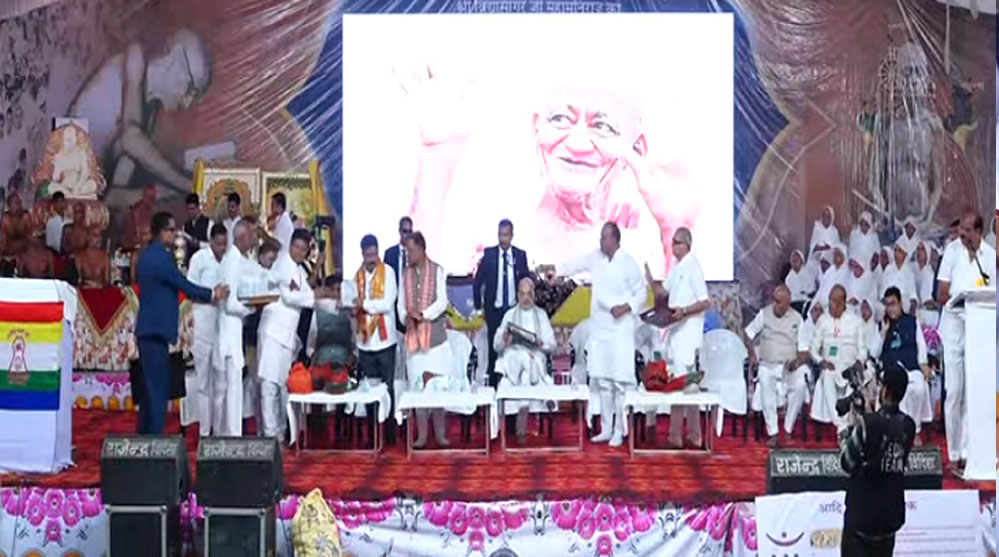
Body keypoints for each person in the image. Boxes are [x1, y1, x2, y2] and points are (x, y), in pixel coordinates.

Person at [68, 28, 211, 203]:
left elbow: (114, 195)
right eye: (190, 89)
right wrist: (187, 184)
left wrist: (171, 192)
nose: (186, 103)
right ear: (175, 58)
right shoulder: (136, 56)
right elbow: (131, 138)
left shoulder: (148, 114)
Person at [135, 211, 228, 434]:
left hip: (148, 328)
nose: (174, 234)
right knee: (158, 389)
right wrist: (212, 294)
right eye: (170, 230)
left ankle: (144, 436)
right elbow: (182, 284)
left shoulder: (146, 255)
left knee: (149, 388)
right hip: (156, 329)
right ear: (160, 232)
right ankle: (155, 439)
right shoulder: (161, 257)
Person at [561, 222, 646, 448]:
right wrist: (555, 270)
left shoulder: (628, 262)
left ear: (615, 239)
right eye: (600, 237)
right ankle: (606, 429)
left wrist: (625, 307)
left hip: (620, 330)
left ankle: (619, 430)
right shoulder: (595, 257)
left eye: (604, 237)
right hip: (600, 329)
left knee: (619, 383)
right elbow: (575, 264)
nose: (600, 241)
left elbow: (641, 293)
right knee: (604, 381)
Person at [936, 211, 996, 475]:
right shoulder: (951, 252)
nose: (962, 233)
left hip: (978, 328)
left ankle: (969, 451)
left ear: (979, 232)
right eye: (961, 228)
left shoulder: (989, 256)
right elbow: (941, 293)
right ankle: (953, 452)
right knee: (954, 391)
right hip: (953, 327)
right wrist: (958, 296)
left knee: (974, 391)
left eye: (968, 230)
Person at [839, 366, 916, 557]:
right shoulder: (908, 425)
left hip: (862, 518)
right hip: (889, 519)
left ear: (885, 389)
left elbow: (846, 462)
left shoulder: (868, 423)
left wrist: (846, 431)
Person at [258, 229, 318, 441]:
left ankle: (282, 431)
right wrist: (313, 298)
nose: (299, 252)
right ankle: (270, 434)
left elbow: (307, 294)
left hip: (286, 335)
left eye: (303, 249)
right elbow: (290, 297)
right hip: (273, 332)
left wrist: (312, 297)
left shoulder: (298, 270)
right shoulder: (283, 264)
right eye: (297, 247)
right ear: (290, 245)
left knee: (283, 384)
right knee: (269, 384)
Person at [396, 232, 452, 448]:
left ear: (421, 249)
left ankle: (440, 434)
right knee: (417, 388)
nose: (407, 255)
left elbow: (442, 302)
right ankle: (421, 436)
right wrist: (407, 316)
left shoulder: (437, 270)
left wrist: (423, 315)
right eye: (406, 251)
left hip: (435, 340)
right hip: (414, 341)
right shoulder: (405, 274)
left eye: (410, 250)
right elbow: (401, 305)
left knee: (437, 388)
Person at [660, 227, 711, 449]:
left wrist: (685, 311)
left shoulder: (693, 266)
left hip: (688, 333)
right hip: (675, 332)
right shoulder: (677, 267)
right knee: (679, 383)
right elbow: (664, 292)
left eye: (677, 242)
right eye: (672, 242)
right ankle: (687, 434)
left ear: (687, 245)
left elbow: (704, 302)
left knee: (684, 384)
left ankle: (685, 435)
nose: (673, 245)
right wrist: (649, 281)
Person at [742, 284, 807, 448]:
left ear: (788, 302)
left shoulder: (797, 319)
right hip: (767, 364)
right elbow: (748, 334)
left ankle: (788, 429)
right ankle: (773, 432)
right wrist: (752, 354)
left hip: (789, 365)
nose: (775, 305)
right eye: (774, 300)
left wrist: (796, 362)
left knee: (800, 385)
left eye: (779, 302)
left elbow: (804, 350)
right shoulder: (764, 314)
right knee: (765, 381)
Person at [493, 277, 557, 444]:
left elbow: (552, 344)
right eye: (522, 294)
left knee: (525, 376)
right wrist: (504, 339)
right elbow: (496, 345)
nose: (526, 298)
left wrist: (541, 343)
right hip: (514, 358)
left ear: (534, 294)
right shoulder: (509, 315)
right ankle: (546, 396)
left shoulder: (541, 315)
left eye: (529, 294)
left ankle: (521, 428)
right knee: (522, 356)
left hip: (534, 357)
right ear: (517, 295)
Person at [473, 219, 530, 387]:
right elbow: (478, 280)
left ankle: (514, 385)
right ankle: (494, 386)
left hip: (514, 311)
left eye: (506, 235)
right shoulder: (489, 255)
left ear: (512, 235)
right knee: (493, 350)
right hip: (494, 311)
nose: (503, 239)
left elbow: (526, 280)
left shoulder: (520, 256)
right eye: (500, 234)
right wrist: (478, 305)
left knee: (515, 348)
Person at [182, 223, 227, 437]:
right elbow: (190, 291)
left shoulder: (229, 260)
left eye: (224, 244)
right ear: (210, 242)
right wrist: (212, 295)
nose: (222, 248)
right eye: (218, 244)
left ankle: (219, 430)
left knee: (221, 383)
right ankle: (204, 432)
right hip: (202, 327)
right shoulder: (199, 259)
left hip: (223, 329)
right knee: (203, 383)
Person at [353, 234, 399, 444]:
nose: (372, 259)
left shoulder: (388, 272)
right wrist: (354, 307)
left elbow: (387, 304)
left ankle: (389, 432)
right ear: (362, 254)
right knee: (368, 389)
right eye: (368, 255)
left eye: (374, 254)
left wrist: (364, 304)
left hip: (384, 339)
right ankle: (372, 433)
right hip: (365, 341)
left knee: (387, 387)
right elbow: (353, 302)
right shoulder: (357, 276)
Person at [213, 220, 256, 436]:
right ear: (243, 237)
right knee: (231, 388)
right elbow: (230, 304)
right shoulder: (233, 262)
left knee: (229, 388)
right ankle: (231, 436)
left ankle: (226, 434)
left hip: (231, 330)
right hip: (229, 331)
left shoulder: (236, 259)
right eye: (252, 234)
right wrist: (250, 309)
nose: (255, 238)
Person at [873, 287, 933, 438]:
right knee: (899, 392)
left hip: (911, 368)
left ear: (900, 303)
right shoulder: (882, 325)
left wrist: (923, 363)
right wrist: (883, 333)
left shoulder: (912, 322)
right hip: (891, 371)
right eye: (887, 305)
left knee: (919, 389)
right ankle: (900, 432)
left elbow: (921, 345)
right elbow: (874, 353)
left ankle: (915, 430)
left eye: (893, 304)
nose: (890, 308)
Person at [810, 285, 868, 434]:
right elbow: (813, 349)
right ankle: (840, 423)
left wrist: (859, 362)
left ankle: (843, 424)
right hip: (831, 366)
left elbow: (863, 350)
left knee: (853, 379)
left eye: (836, 301)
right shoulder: (822, 320)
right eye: (830, 300)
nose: (832, 305)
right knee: (827, 375)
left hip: (850, 366)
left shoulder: (855, 321)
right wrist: (821, 361)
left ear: (843, 303)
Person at [880, 241, 919, 315]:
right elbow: (882, 294)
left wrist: (912, 308)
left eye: (899, 251)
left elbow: (913, 296)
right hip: (889, 302)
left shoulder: (909, 272)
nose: (896, 253)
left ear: (905, 254)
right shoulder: (888, 269)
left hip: (904, 304)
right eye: (895, 250)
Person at [121, 186, 158, 250]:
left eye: (153, 198)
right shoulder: (132, 216)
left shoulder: (154, 214)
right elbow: (126, 240)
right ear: (144, 197)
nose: (151, 201)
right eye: (149, 198)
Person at [814, 244, 849, 311]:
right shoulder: (830, 270)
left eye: (838, 255)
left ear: (843, 256)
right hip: (822, 301)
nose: (835, 257)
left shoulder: (847, 272)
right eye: (834, 255)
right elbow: (821, 288)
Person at [913, 241, 939, 326]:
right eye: (918, 249)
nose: (919, 252)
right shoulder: (912, 268)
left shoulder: (930, 272)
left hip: (929, 310)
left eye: (922, 249)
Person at [182, 193, 212, 264]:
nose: (190, 212)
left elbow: (213, 246)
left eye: (192, 209)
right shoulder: (185, 226)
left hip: (205, 261)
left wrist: (199, 244)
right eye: (188, 209)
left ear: (198, 208)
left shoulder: (209, 223)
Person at [785, 249, 816, 315]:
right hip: (793, 302)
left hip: (806, 301)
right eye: (793, 261)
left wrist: (804, 292)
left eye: (796, 261)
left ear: (801, 261)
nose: (794, 263)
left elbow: (812, 290)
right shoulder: (788, 278)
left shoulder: (809, 275)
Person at [1, 192, 31, 257]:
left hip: (24, 251)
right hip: (9, 251)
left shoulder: (25, 216)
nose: (17, 206)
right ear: (9, 206)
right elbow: (3, 240)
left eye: (18, 203)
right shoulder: (6, 218)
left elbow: (30, 237)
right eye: (14, 203)